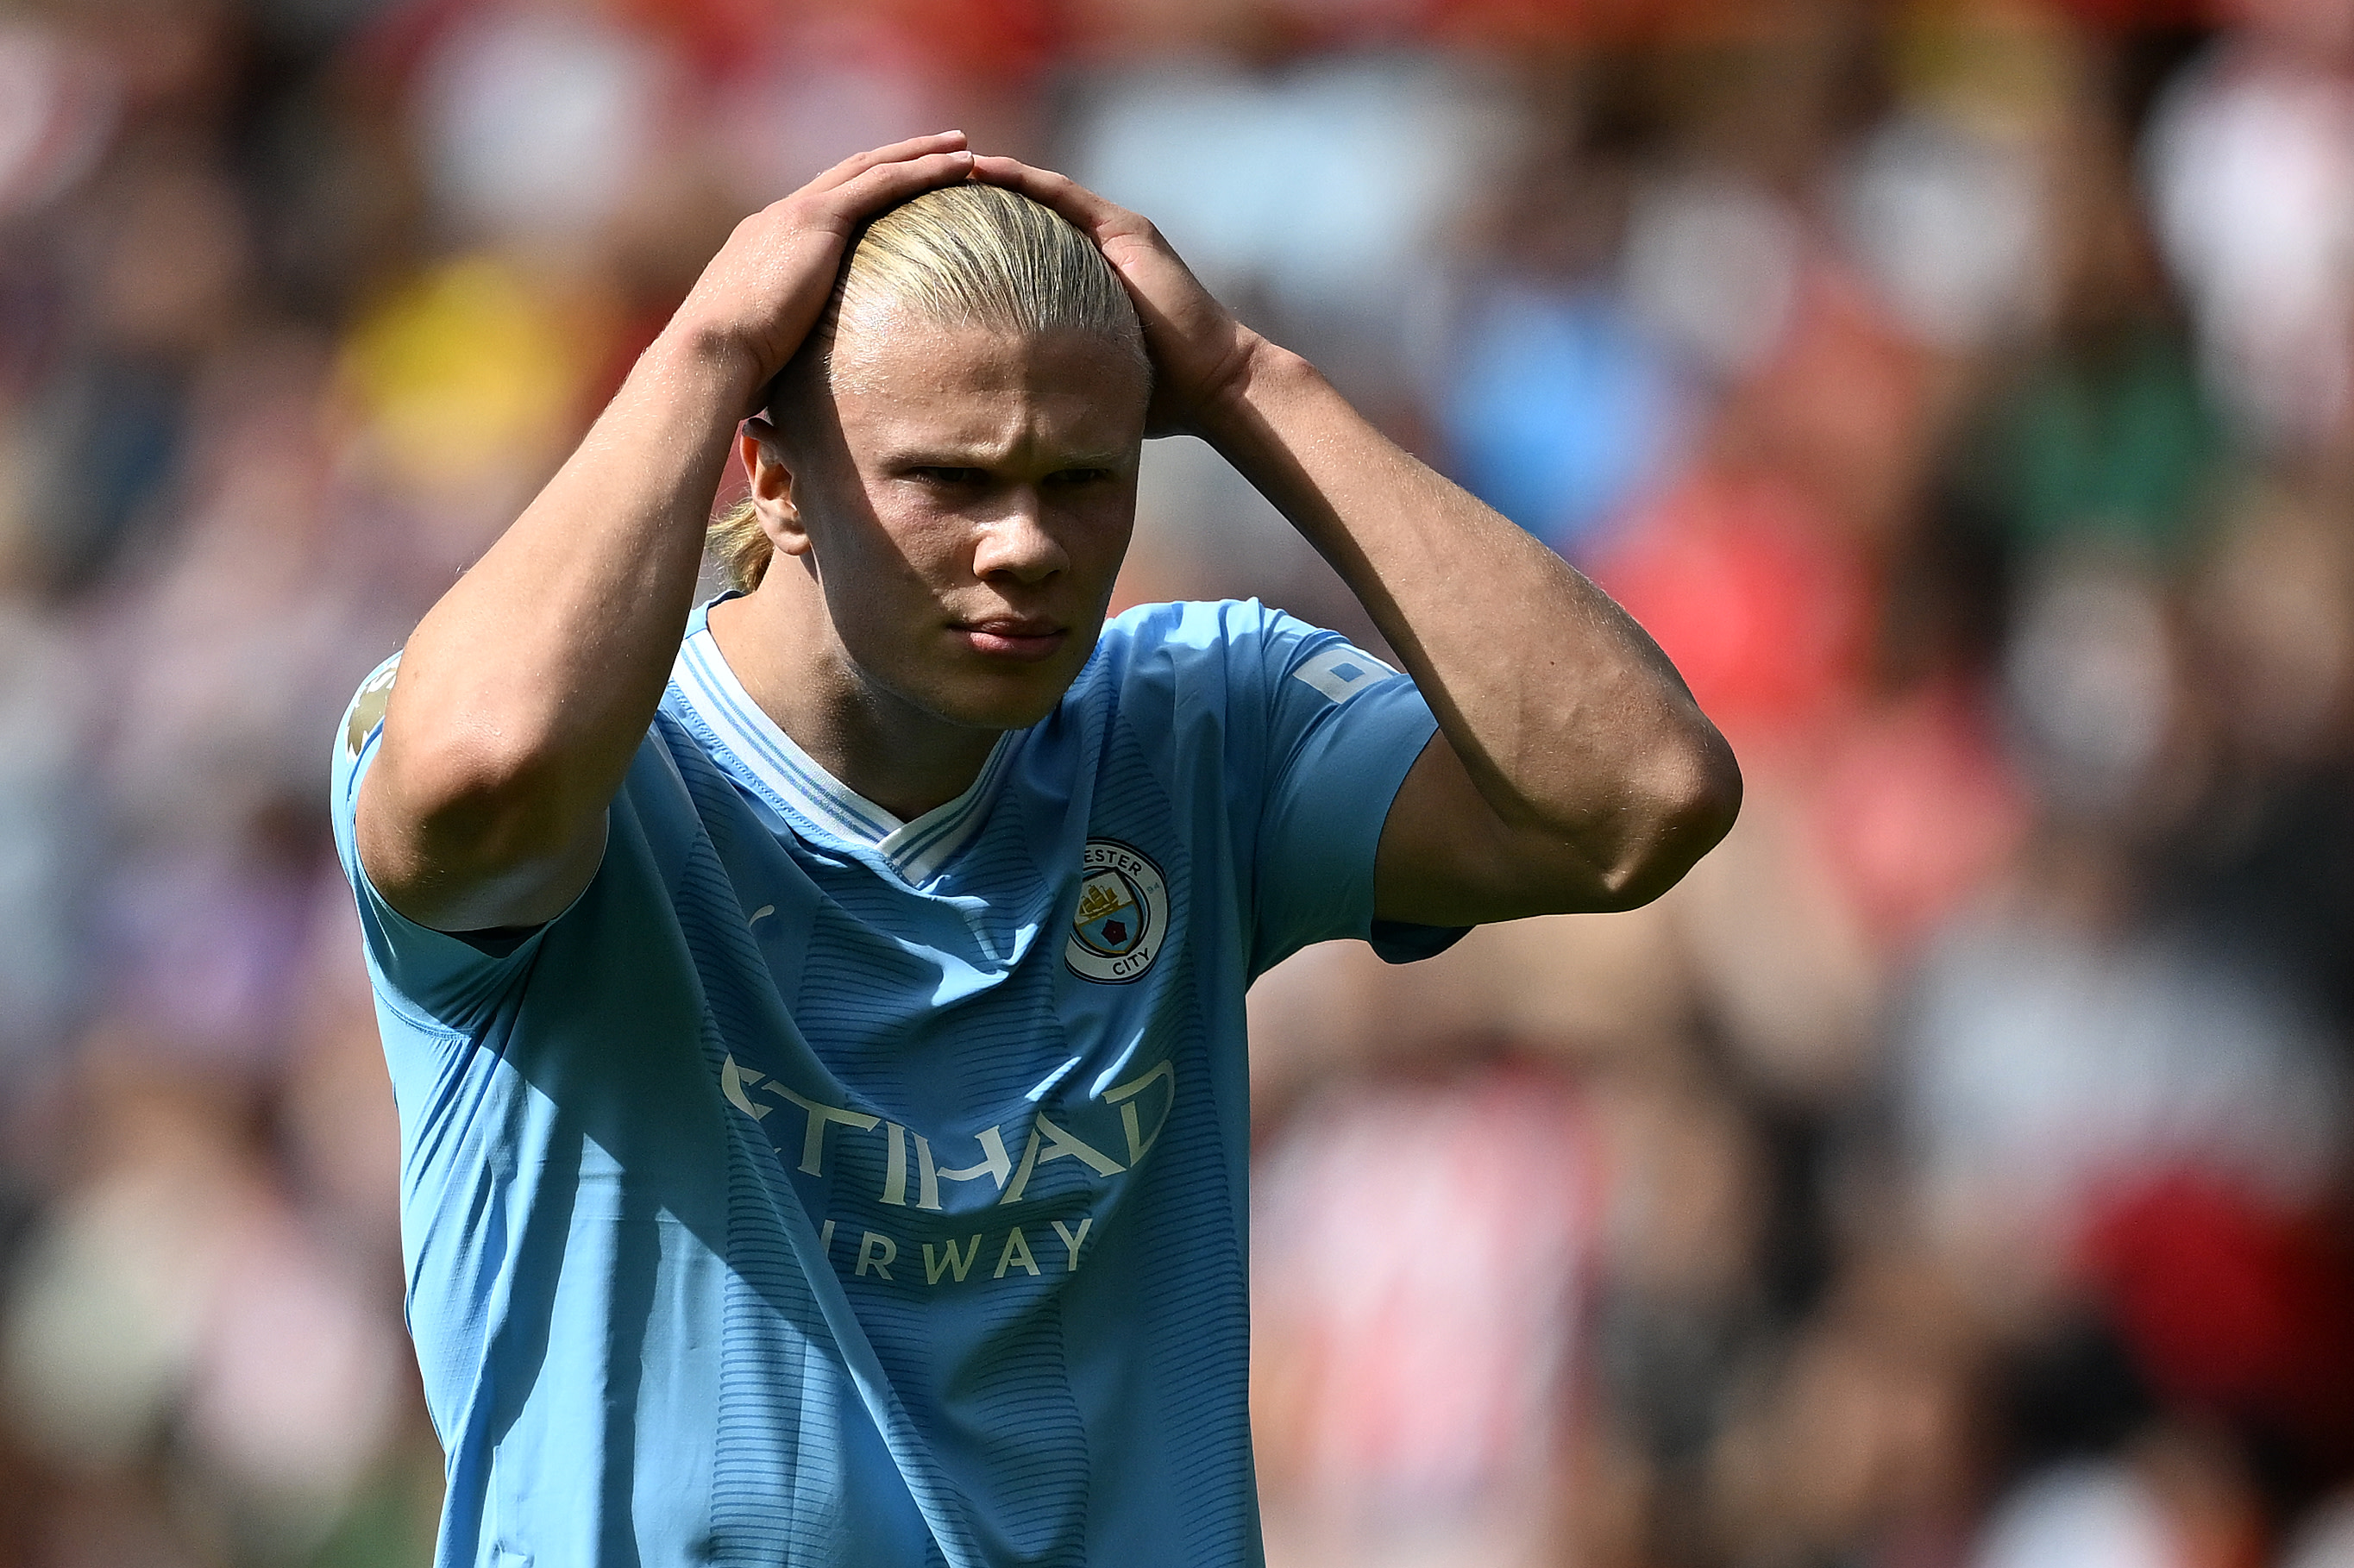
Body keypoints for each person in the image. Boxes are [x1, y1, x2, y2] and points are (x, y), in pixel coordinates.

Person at [331, 133, 1739, 1568]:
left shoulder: (1194, 731)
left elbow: (1638, 792)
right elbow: (479, 777)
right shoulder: (593, 762)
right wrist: (709, 344)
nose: (1027, 545)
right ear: (773, 474)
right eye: (950, 480)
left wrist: (1254, 385)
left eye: (1081, 479)